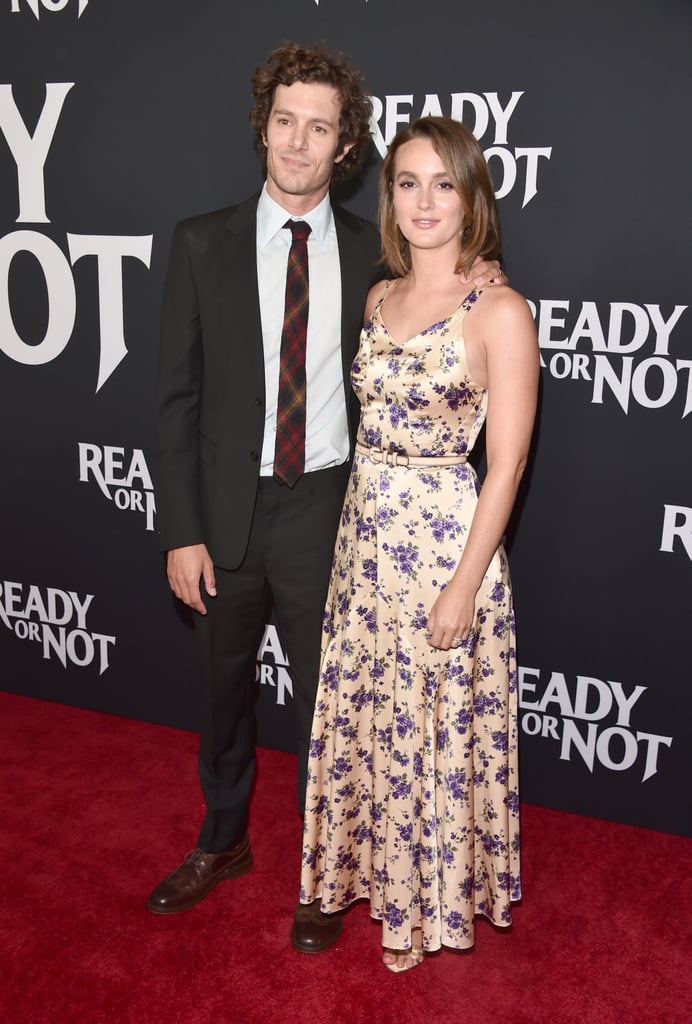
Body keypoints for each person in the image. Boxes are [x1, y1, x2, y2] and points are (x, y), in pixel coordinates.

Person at [151, 43, 501, 939]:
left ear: (346, 146)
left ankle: (324, 873)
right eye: (285, 123)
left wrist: (484, 276)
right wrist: (181, 529)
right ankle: (223, 839)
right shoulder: (200, 242)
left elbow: (445, 301)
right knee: (223, 694)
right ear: (262, 129)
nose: (299, 144)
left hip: (330, 515)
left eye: (321, 128)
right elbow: (175, 400)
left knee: (330, 709)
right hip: (225, 517)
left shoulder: (372, 258)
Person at [295, 115, 539, 971]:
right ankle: (367, 872)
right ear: (389, 197)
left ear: (472, 196)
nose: (426, 199)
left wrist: (464, 587)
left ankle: (432, 895)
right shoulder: (377, 297)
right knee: (374, 719)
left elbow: (506, 466)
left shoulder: (500, 309)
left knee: (432, 729)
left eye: (445, 182)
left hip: (443, 548)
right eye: (408, 182)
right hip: (364, 546)